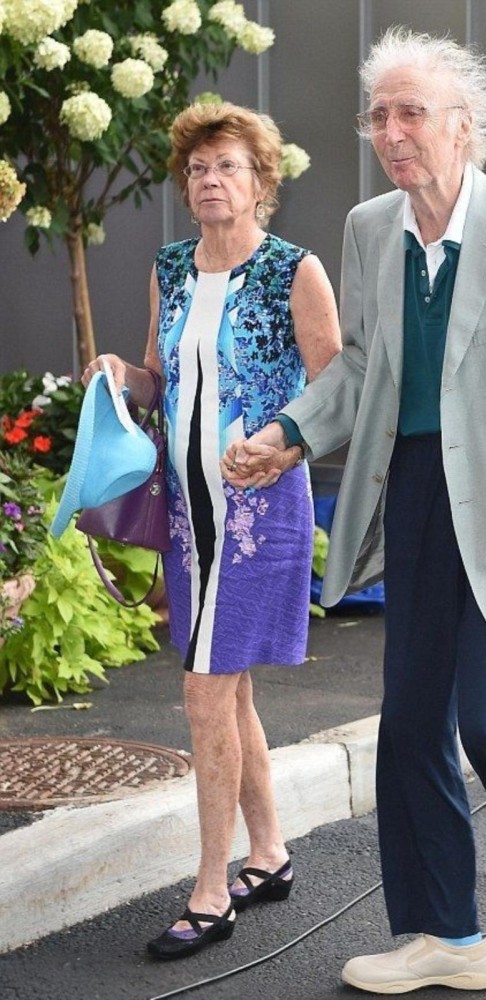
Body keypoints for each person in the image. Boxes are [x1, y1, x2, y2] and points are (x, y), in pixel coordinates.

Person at [225, 26, 486, 998]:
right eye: (378, 115)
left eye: (411, 113)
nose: (392, 132)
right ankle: (447, 933)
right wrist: (288, 430)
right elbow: (361, 363)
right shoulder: (371, 229)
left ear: (462, 127)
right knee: (408, 728)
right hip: (411, 498)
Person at [82, 101, 341, 960]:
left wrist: (280, 442)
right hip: (189, 514)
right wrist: (122, 375)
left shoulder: (292, 270)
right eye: (197, 169)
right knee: (228, 692)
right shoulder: (170, 268)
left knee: (204, 693)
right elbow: (162, 382)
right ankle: (266, 856)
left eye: (227, 166)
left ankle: (209, 890)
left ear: (261, 182)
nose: (209, 181)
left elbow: (333, 388)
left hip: (258, 512)